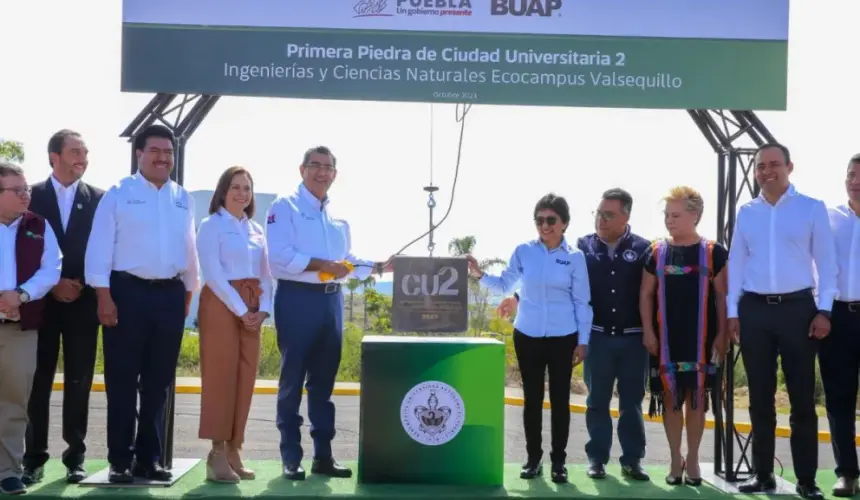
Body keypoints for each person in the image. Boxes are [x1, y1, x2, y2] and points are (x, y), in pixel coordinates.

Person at [499, 188, 652, 481]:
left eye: (609, 214)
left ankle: (630, 460)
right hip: (592, 336)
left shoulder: (643, 248)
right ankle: (594, 460)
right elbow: (541, 281)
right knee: (596, 402)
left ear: (626, 216)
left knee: (631, 402)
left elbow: (648, 293)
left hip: (631, 337)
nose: (601, 219)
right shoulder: (584, 246)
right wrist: (515, 297)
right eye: (598, 213)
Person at [266, 146, 392, 480]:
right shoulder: (285, 206)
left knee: (323, 382)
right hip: (297, 299)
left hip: (331, 302)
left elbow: (347, 261)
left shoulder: (337, 220)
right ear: (302, 170)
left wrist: (379, 266)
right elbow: (278, 257)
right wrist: (324, 265)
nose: (322, 173)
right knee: (292, 380)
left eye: (328, 168)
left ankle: (323, 456)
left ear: (335, 173)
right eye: (315, 166)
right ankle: (290, 456)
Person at [84, 124, 200, 484]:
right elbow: (99, 248)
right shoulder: (119, 193)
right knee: (121, 379)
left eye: (169, 152)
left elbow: (190, 252)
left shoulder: (183, 197)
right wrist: (103, 296)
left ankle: (148, 459)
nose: (163, 157)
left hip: (169, 295)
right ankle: (120, 459)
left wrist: (187, 295)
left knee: (159, 381)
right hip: (126, 293)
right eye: (156, 151)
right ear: (139, 154)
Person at [727, 143, 836, 500]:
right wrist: (733, 312)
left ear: (790, 167)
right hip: (755, 311)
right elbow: (737, 265)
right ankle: (763, 475)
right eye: (761, 165)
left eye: (774, 164)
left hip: (798, 310)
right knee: (760, 399)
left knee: (803, 400)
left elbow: (826, 263)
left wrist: (824, 310)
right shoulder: (747, 212)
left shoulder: (811, 208)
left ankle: (806, 480)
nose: (766, 170)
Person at [469, 193, 592, 484]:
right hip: (528, 335)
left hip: (564, 337)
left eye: (551, 220)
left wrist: (583, 341)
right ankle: (533, 458)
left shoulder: (574, 258)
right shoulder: (524, 251)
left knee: (560, 400)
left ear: (565, 223)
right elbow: (503, 284)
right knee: (532, 399)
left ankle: (559, 462)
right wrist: (478, 273)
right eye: (539, 220)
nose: (544, 226)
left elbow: (582, 302)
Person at [22, 130, 103, 485]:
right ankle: (34, 458)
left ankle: (75, 457)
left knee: (78, 380)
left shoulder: (99, 199)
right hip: (40, 302)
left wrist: (78, 284)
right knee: (36, 381)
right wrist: (52, 283)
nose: (82, 157)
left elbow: (103, 249)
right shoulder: (31, 196)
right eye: (75, 151)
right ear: (54, 156)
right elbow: (20, 248)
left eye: (85, 152)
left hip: (83, 302)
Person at [639, 186, 728, 486]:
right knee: (672, 397)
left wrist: (722, 335)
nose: (669, 220)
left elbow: (722, 297)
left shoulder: (715, 252)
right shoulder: (655, 251)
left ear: (696, 215)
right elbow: (646, 294)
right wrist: (648, 332)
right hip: (665, 339)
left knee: (697, 399)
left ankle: (693, 460)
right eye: (666, 215)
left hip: (702, 339)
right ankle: (675, 458)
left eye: (676, 215)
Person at [196, 166, 272, 483]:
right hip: (221, 304)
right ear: (223, 191)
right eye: (236, 187)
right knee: (220, 378)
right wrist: (241, 310)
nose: (242, 193)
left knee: (245, 378)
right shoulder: (210, 226)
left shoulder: (256, 229)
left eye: (247, 188)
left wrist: (263, 310)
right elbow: (212, 274)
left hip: (252, 306)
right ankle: (215, 454)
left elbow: (267, 274)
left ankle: (234, 448)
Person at [0, 162, 62, 495]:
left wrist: (21, 295)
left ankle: (8, 470)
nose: (26, 195)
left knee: (14, 402)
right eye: (17, 190)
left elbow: (51, 269)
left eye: (26, 189)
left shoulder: (39, 225)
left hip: (20, 328)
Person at [819, 154, 860, 497]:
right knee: (839, 398)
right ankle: (847, 473)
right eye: (851, 175)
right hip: (836, 317)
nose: (855, 181)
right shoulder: (828, 218)